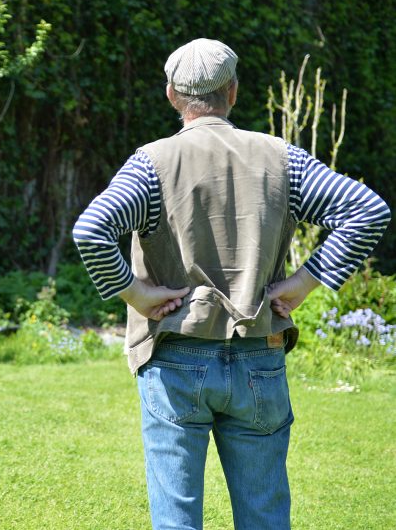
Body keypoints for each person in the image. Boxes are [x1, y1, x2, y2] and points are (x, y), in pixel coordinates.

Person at [73, 38, 390, 529]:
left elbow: (91, 230)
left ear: (172, 96)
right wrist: (304, 282)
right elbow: (368, 210)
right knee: (264, 519)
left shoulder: (151, 164)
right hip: (258, 356)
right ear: (234, 92)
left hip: (175, 357)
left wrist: (136, 293)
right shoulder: (283, 159)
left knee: (176, 521)